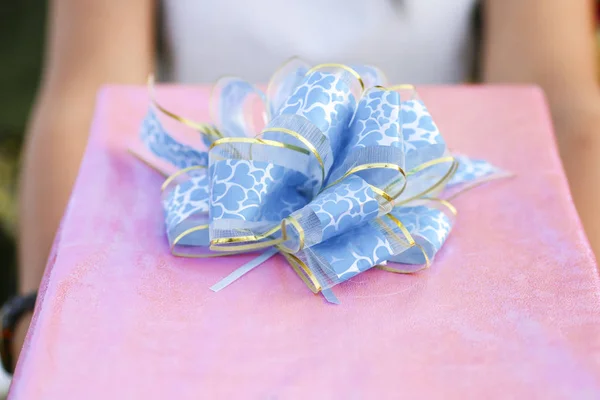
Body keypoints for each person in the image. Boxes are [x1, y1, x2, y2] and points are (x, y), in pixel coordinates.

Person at [5, 0, 600, 376]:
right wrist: (44, 319)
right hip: (202, 254)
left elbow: (558, 103)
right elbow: (85, 94)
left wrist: (579, 312)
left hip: (424, 267)